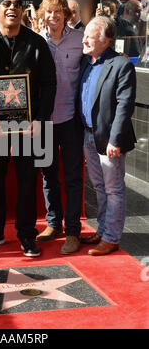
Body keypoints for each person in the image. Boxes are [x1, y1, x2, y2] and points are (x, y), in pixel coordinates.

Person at [0, 0, 56, 257]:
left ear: (22, 12)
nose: (13, 8)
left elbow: (49, 84)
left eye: (18, 4)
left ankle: (27, 235)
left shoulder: (36, 43)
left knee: (27, 181)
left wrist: (41, 119)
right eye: (7, 4)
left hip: (28, 128)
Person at [79, 16, 136, 255]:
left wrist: (115, 140)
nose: (84, 40)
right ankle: (103, 229)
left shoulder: (121, 65)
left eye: (89, 36)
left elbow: (125, 105)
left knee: (113, 189)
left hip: (108, 140)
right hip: (87, 135)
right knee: (99, 187)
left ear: (106, 41)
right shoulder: (86, 62)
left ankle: (112, 237)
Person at [37, 0, 84, 255]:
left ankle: (73, 231)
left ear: (66, 14)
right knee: (48, 174)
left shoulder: (80, 40)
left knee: (73, 176)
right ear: (42, 13)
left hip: (70, 119)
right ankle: (53, 223)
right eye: (49, 11)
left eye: (58, 11)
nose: (53, 16)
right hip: (43, 120)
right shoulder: (35, 41)